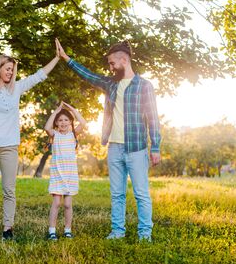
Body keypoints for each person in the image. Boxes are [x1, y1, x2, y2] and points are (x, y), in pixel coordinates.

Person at [55, 39, 161, 241]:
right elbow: (89, 76)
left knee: (141, 194)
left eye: (112, 63)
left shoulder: (144, 86)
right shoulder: (111, 84)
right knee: (117, 194)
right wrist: (66, 59)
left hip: (136, 147)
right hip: (114, 147)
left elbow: (152, 118)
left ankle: (145, 234)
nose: (110, 67)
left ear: (124, 59)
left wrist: (155, 146)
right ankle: (117, 231)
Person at [0, 40, 60, 242]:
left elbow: (39, 76)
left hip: (9, 146)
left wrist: (57, 58)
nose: (11, 72)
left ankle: (7, 229)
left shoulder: (16, 89)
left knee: (9, 190)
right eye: (8, 69)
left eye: (12, 70)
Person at [44, 102, 86, 240]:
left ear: (70, 122)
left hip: (70, 175)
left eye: (66, 120)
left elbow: (83, 123)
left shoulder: (73, 134)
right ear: (56, 122)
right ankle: (52, 231)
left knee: (68, 204)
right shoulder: (54, 134)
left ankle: (67, 230)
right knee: (56, 203)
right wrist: (56, 111)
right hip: (58, 174)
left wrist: (72, 109)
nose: (63, 122)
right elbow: (46, 127)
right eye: (60, 120)